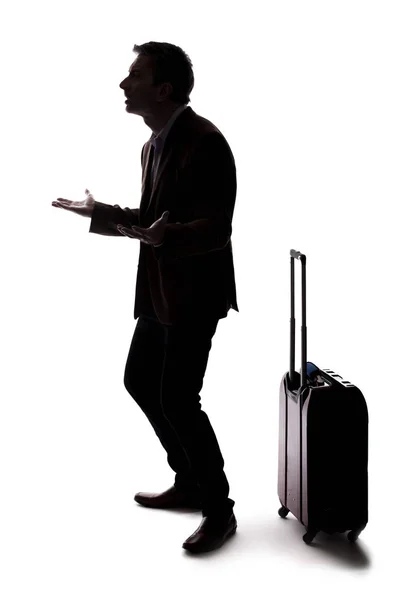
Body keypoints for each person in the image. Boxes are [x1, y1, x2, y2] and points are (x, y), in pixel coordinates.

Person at [52, 41, 239, 554]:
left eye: (134, 75)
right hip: (158, 292)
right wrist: (100, 212)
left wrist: (167, 236)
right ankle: (189, 479)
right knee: (140, 380)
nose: (122, 84)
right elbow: (149, 219)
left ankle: (219, 511)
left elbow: (216, 229)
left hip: (195, 296)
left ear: (164, 88)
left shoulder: (206, 141)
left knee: (179, 399)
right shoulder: (152, 143)